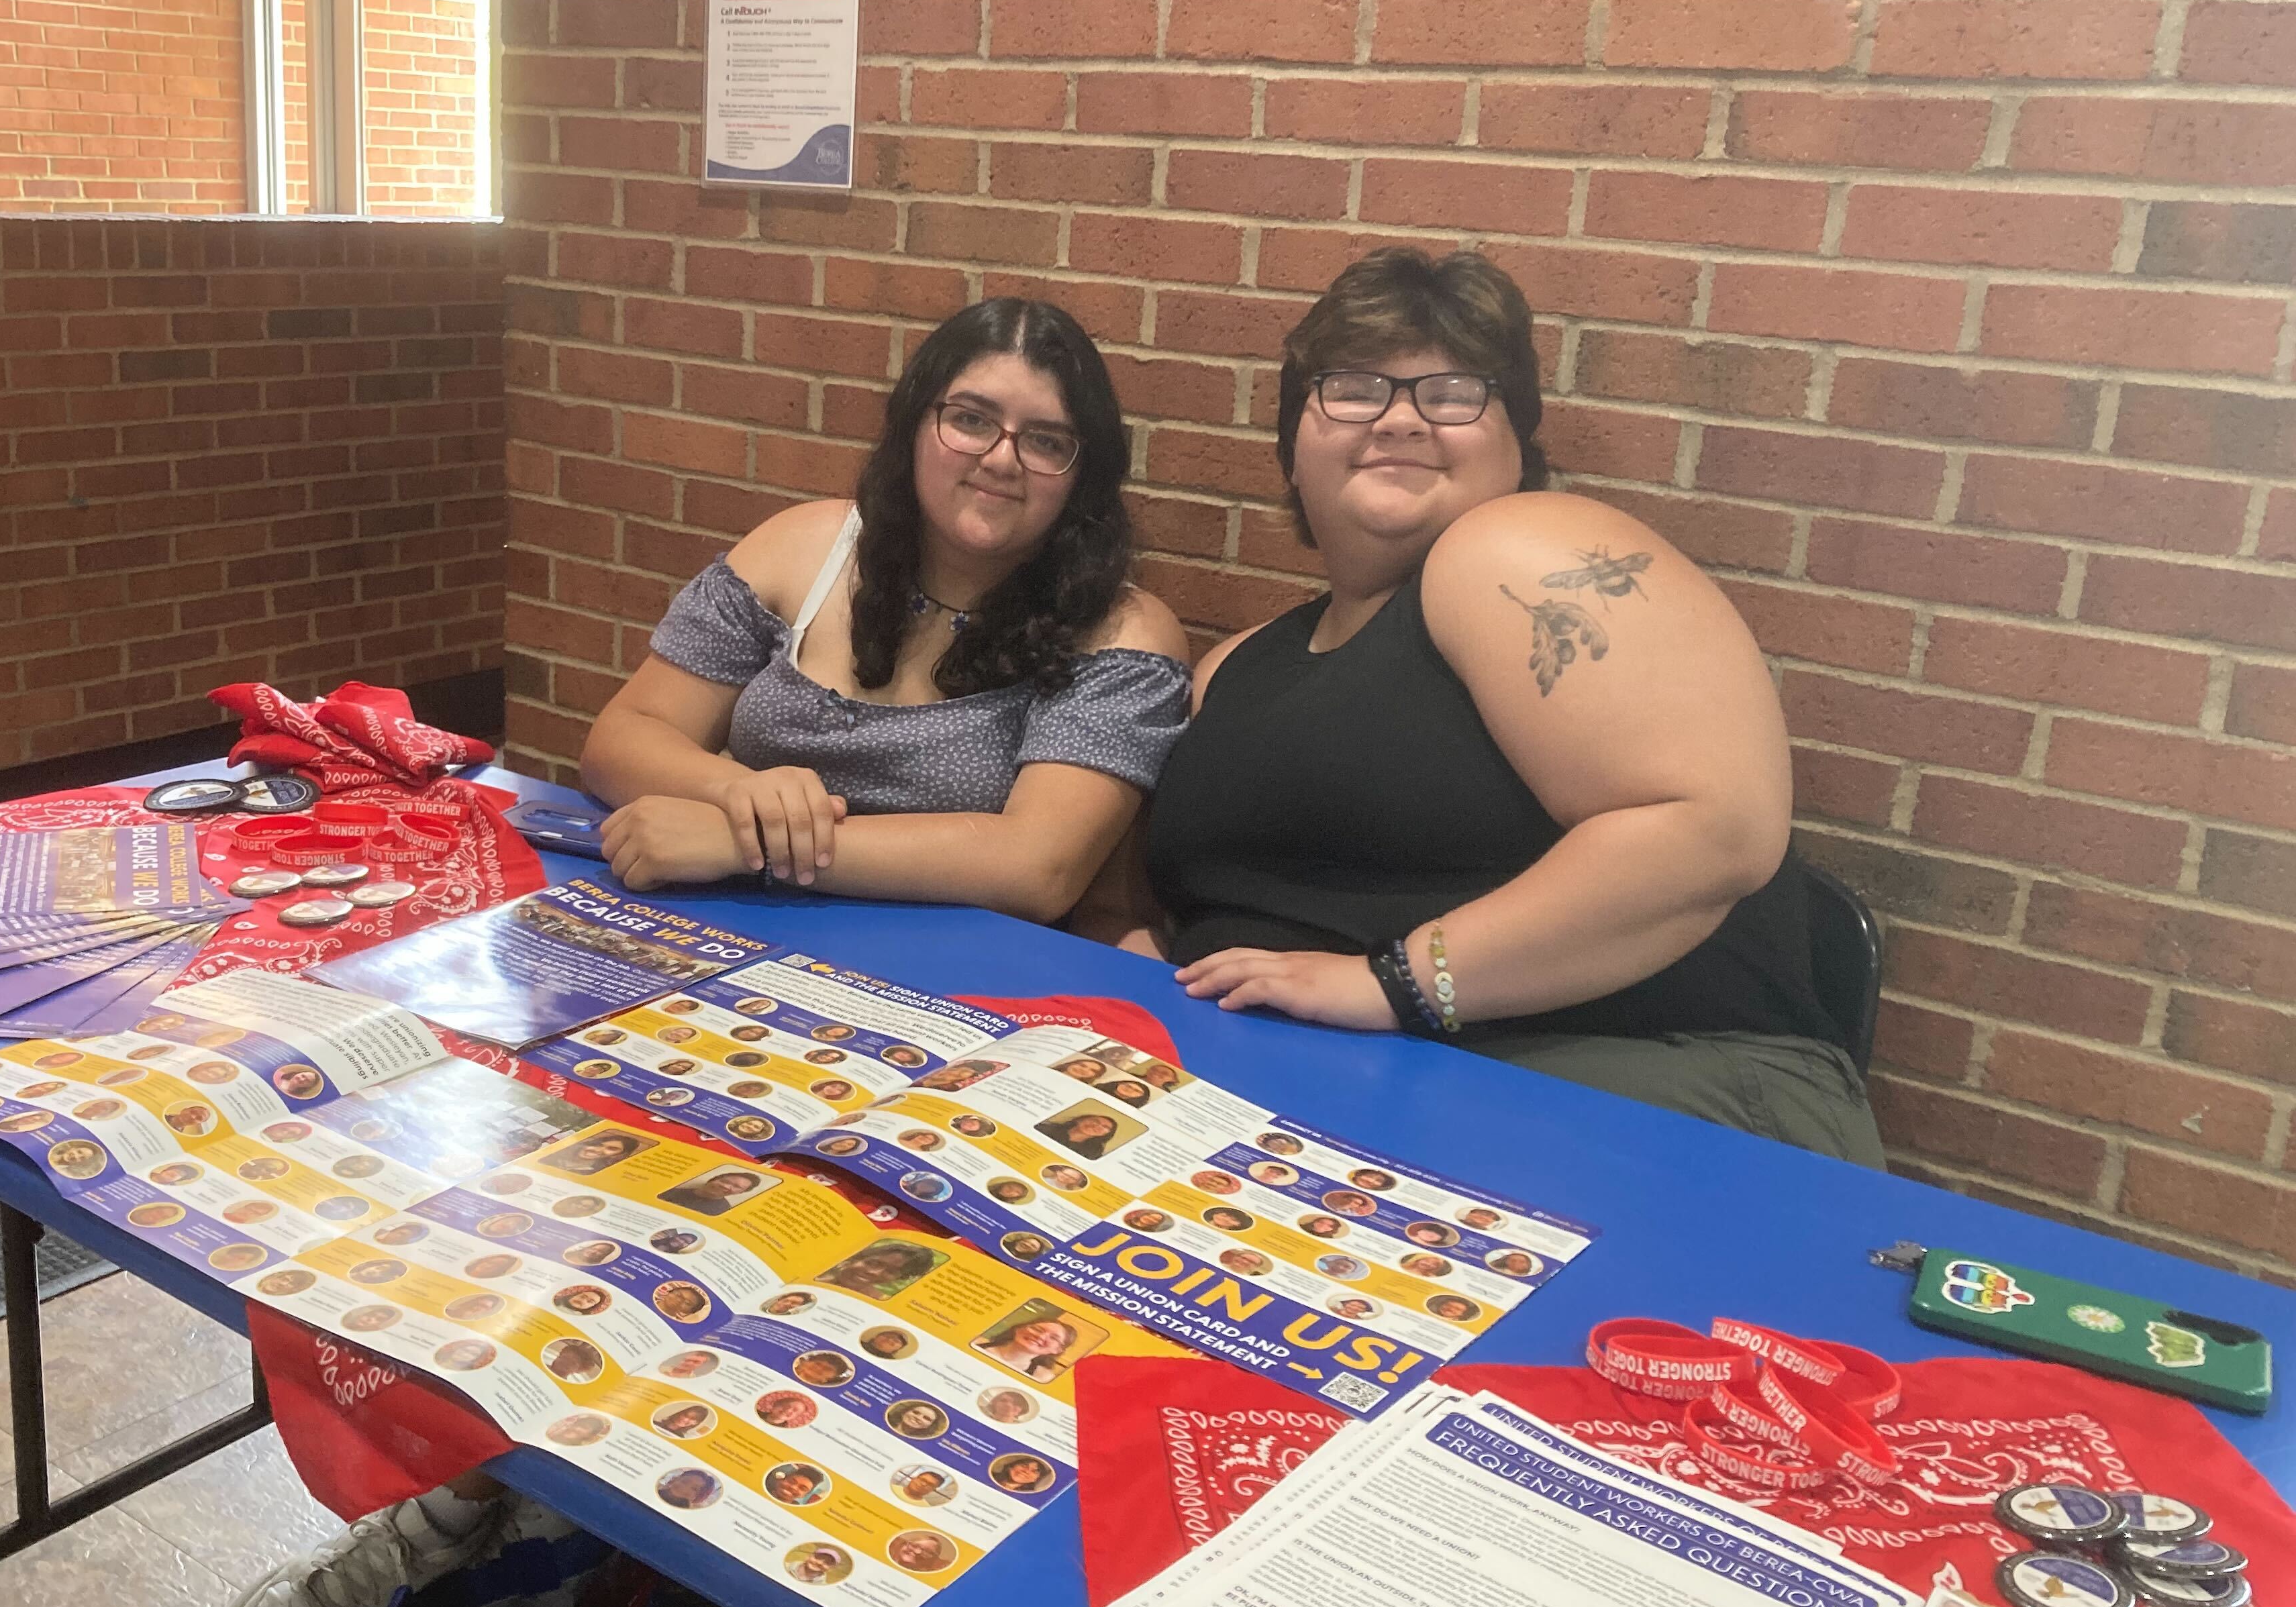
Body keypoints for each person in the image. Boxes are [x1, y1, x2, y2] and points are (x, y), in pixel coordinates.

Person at [1136, 248, 1882, 1166]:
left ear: (1517, 445)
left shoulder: (1517, 548)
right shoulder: (1239, 664)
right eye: (1355, 387)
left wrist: (1394, 985)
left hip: (1638, 1081)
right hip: (1325, 1093)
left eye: (1452, 392)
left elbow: (1711, 829)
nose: (1402, 418)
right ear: (1294, 441)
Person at [579, 299, 1190, 923]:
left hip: (961, 976)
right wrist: (742, 795)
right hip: (731, 927)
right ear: (915, 423)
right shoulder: (800, 546)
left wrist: (753, 846)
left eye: (1046, 440)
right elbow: (622, 737)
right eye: (972, 420)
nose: (1002, 460)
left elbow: (1037, 868)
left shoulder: (1124, 632)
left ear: (1082, 473)